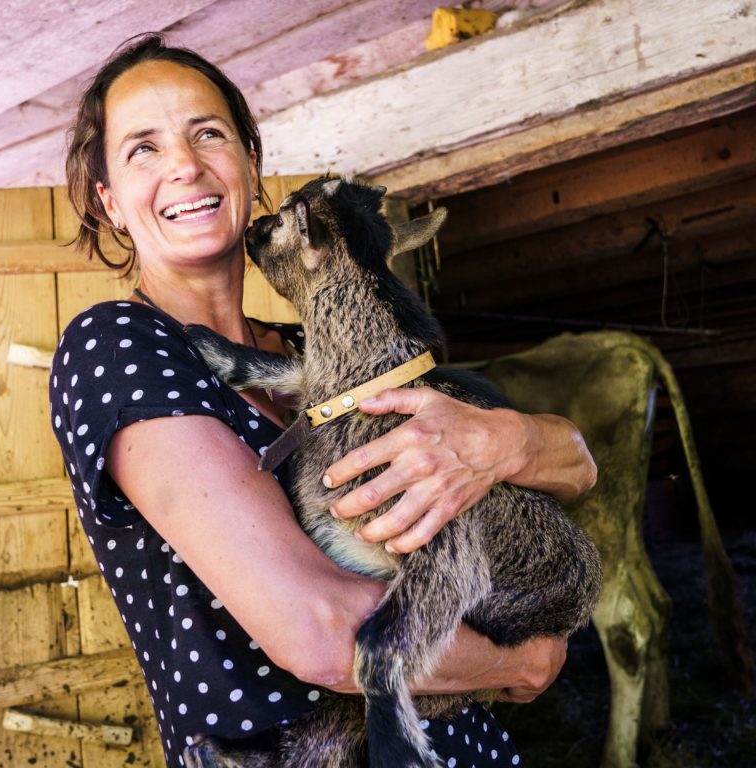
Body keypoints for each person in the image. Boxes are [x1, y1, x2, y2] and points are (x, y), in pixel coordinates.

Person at [50, 34, 597, 768]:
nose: (184, 165)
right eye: (143, 148)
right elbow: (318, 632)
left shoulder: (318, 352)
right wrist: (518, 663)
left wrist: (504, 442)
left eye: (208, 134)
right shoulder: (117, 345)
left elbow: (579, 467)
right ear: (111, 203)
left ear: (251, 164)